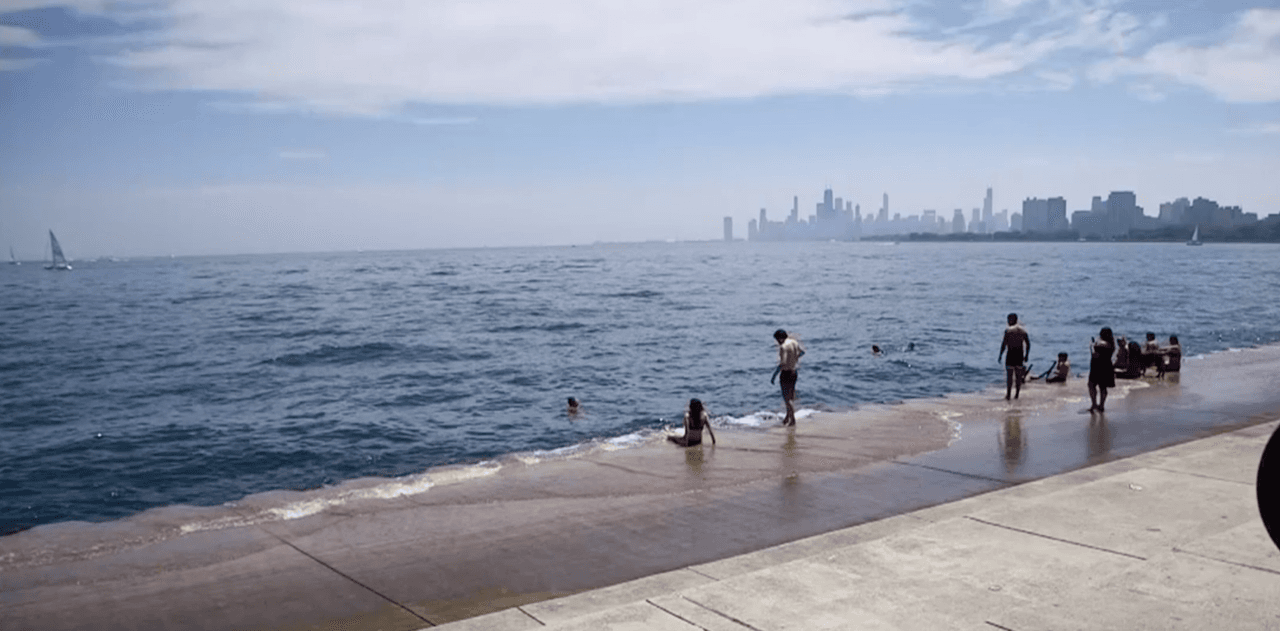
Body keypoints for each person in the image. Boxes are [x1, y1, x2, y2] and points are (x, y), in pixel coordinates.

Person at [771, 329, 805, 426]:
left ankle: (792, 419)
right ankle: (787, 417)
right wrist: (794, 359)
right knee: (790, 396)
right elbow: (802, 353)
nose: (777, 342)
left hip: (785, 373)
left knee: (787, 398)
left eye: (777, 339)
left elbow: (783, 363)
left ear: (780, 338)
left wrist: (774, 375)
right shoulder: (794, 342)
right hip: (794, 372)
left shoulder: (783, 347)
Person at [998, 313, 1030, 400]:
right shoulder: (1023, 332)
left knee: (1009, 376)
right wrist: (1026, 355)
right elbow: (1028, 344)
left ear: (1012, 320)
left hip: (1010, 355)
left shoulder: (1008, 331)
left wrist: (1000, 355)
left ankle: (1008, 395)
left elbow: (1003, 344)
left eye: (1008, 320)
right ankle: (1016, 395)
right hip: (1019, 356)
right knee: (1018, 377)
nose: (1007, 322)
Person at [1088, 327, 1116, 412]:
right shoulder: (1111, 344)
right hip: (1106, 367)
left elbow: (1094, 354)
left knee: (1091, 385)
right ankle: (1101, 405)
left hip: (1097, 367)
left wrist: (1092, 345)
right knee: (1103, 387)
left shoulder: (1100, 344)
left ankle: (1094, 404)